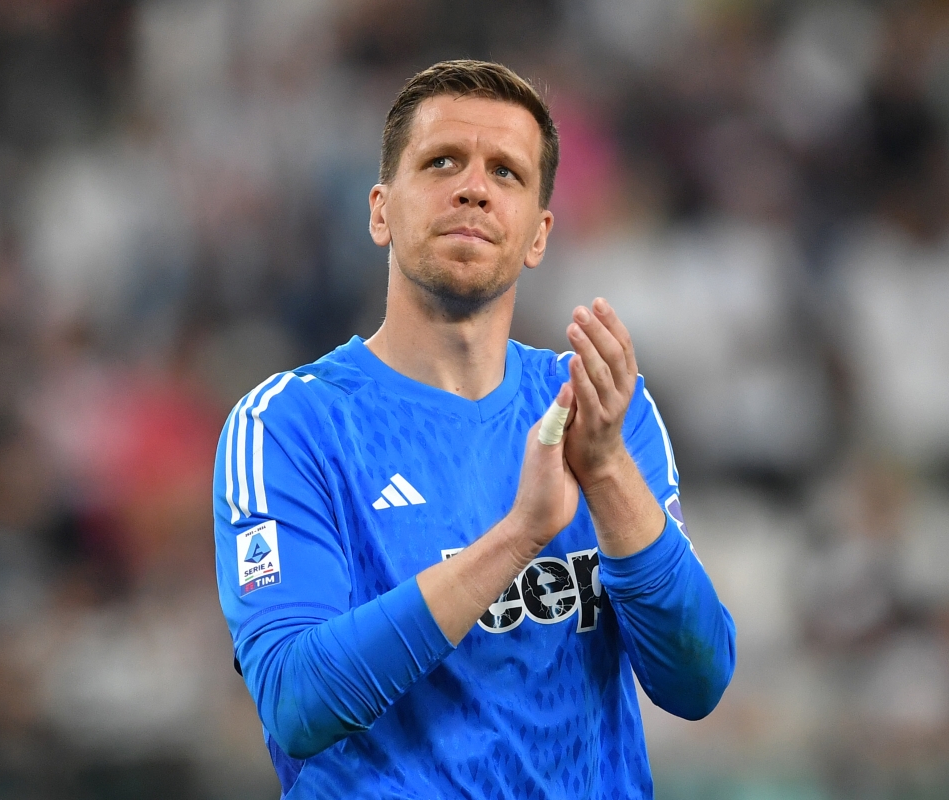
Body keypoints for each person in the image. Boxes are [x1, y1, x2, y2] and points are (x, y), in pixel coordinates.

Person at [213, 59, 736, 799]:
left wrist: (610, 471)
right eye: (441, 162)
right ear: (380, 211)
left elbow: (697, 681)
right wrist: (518, 536)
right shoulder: (290, 425)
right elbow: (298, 702)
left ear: (538, 234)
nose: (473, 187)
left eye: (507, 173)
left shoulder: (602, 410)